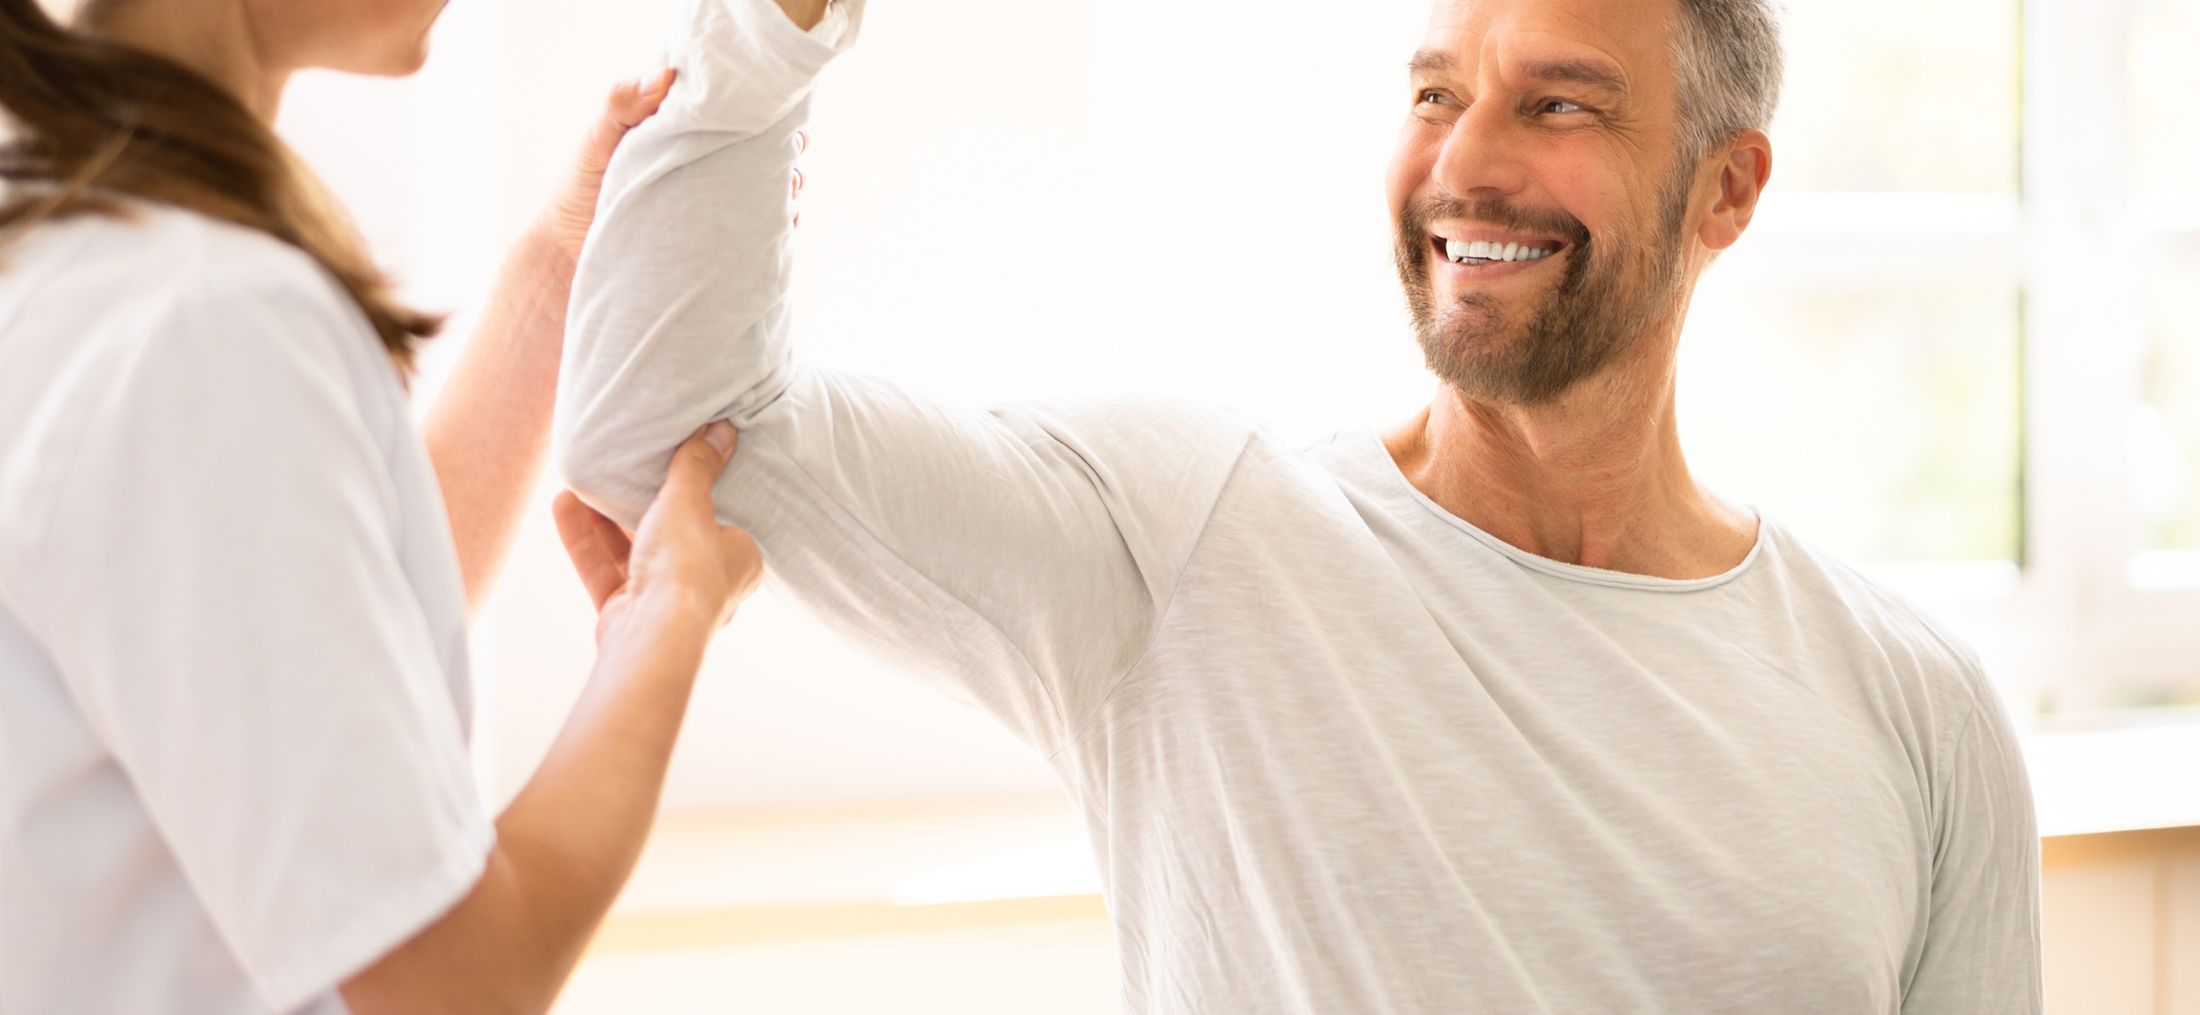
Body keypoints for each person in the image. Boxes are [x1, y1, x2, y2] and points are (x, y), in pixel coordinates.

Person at [559, 0, 2044, 1010]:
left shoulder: (1914, 703)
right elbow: (670, 421)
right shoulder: (1194, 537)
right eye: (1435, 95)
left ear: (1726, 190)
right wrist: (775, 32)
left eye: (1558, 104)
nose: (1465, 163)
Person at [0, 1, 768, 1012]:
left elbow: (316, 650)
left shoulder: (80, 240)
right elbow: (456, 982)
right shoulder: (203, 328)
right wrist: (667, 614)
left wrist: (561, 270)